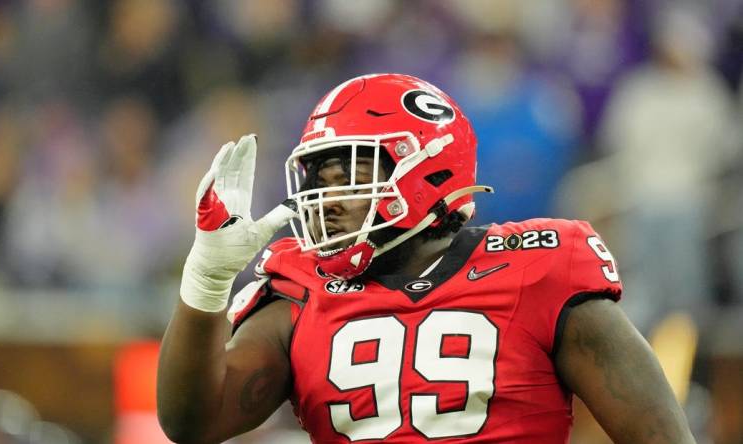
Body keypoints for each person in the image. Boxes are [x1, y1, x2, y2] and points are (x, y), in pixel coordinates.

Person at [157, 74, 695, 443]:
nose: (328, 198)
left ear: (428, 170)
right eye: (319, 178)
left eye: (349, 174)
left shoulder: (540, 268)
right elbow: (193, 423)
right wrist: (207, 277)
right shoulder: (301, 288)